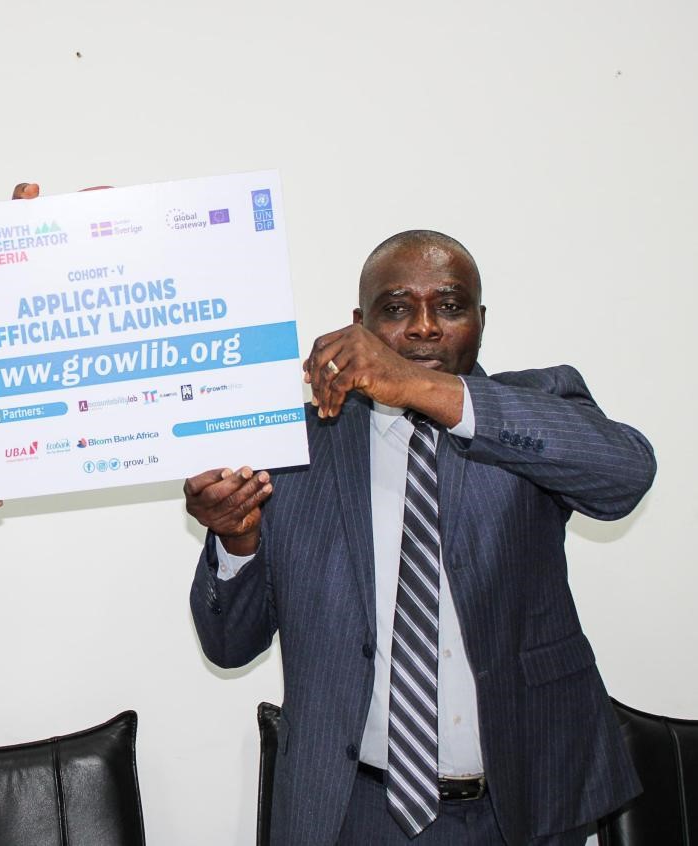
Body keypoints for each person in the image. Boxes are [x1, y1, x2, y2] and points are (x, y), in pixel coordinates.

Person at [184, 230, 655, 845]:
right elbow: (229, 645)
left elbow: (625, 475)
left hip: (525, 806)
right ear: (361, 324)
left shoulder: (532, 408)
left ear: (480, 321)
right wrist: (237, 542)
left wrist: (419, 388)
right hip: (353, 812)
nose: (426, 327)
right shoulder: (293, 452)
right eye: (398, 308)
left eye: (450, 306)